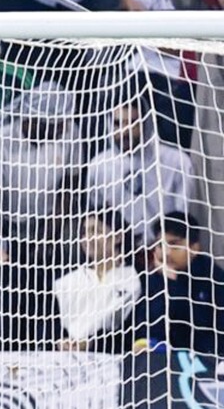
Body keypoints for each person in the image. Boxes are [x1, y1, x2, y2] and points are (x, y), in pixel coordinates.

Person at [85, 97, 194, 244]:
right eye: (117, 123)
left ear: (146, 123)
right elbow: (95, 217)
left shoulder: (176, 162)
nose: (124, 131)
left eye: (132, 122)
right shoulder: (99, 165)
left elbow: (184, 218)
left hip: (163, 253)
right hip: (117, 254)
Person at [133, 212, 224, 357]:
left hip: (208, 359)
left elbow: (202, 327)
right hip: (163, 360)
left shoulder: (213, 276)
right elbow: (146, 326)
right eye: (160, 245)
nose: (166, 252)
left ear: (194, 247)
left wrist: (173, 283)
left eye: (174, 245)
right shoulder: (153, 277)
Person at [53, 210, 142, 353]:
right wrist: (59, 340)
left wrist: (92, 343)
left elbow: (132, 329)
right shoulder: (65, 281)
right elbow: (50, 326)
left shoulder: (135, 279)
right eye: (84, 233)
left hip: (112, 358)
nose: (88, 238)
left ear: (118, 237)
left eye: (96, 231)